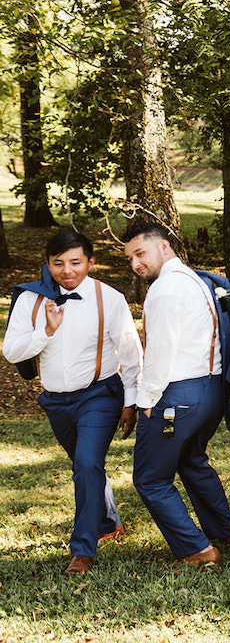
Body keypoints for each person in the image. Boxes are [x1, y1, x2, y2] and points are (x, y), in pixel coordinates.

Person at [3, 230, 143, 575]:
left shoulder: (108, 298)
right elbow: (11, 351)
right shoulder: (30, 299)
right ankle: (110, 523)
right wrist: (46, 331)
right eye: (58, 263)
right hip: (55, 401)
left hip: (100, 394)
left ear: (91, 262)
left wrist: (131, 401)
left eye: (76, 262)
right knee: (86, 466)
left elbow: (130, 353)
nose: (67, 270)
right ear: (48, 264)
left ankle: (83, 550)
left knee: (86, 463)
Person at [121, 222, 230, 566]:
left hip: (177, 394)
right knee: (191, 460)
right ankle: (226, 532)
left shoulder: (166, 290)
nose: (135, 264)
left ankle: (198, 550)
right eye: (130, 257)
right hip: (210, 389)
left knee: (150, 479)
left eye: (140, 253)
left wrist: (146, 401)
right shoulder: (196, 279)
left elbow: (160, 351)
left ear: (163, 246)